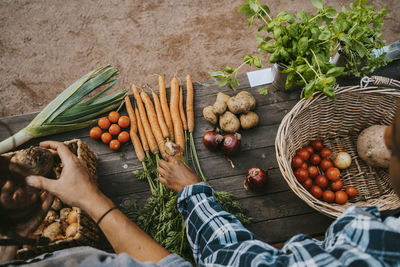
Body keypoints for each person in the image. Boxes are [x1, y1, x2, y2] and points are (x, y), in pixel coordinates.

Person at [1, 110, 400, 266]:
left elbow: (232, 259)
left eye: (393, 145)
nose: (383, 138)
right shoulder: (376, 237)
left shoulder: (371, 237)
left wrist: (192, 192)